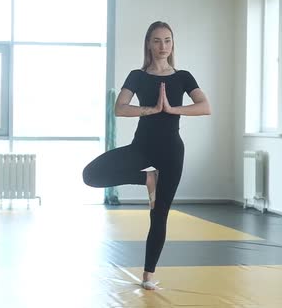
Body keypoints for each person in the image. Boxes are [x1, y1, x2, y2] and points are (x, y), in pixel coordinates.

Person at [82, 21, 211, 290]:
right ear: (148, 44)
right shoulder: (137, 76)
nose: (162, 46)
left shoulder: (183, 76)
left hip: (172, 151)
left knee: (159, 215)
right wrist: (152, 109)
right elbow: (120, 108)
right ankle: (148, 179)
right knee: (91, 175)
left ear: (173, 44)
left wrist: (172, 109)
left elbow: (204, 106)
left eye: (167, 40)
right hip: (141, 147)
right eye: (156, 41)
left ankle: (148, 275)